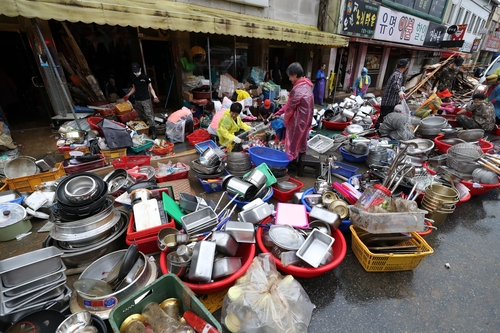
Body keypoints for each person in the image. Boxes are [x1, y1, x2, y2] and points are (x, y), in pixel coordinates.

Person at [274, 62, 314, 161]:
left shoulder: (297, 90)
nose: (289, 79)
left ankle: (291, 161)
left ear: (295, 75)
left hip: (298, 121)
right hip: (306, 119)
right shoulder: (306, 85)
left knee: (293, 142)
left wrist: (286, 120)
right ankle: (299, 159)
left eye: (290, 76)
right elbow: (290, 104)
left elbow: (289, 108)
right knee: (301, 140)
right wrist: (278, 112)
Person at [123, 63, 159, 139]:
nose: (136, 73)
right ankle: (145, 129)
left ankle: (153, 131)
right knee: (141, 115)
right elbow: (134, 88)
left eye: (137, 71)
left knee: (149, 115)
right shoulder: (132, 78)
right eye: (134, 71)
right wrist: (128, 95)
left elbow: (151, 88)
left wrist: (155, 96)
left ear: (140, 69)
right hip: (137, 99)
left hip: (146, 99)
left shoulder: (145, 77)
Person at [377, 58, 408, 127]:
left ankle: (378, 129)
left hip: (387, 100)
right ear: (405, 67)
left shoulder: (395, 73)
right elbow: (395, 84)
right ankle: (378, 130)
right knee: (384, 118)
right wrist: (400, 91)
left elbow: (395, 84)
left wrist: (401, 88)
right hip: (389, 101)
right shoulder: (399, 74)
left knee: (383, 117)